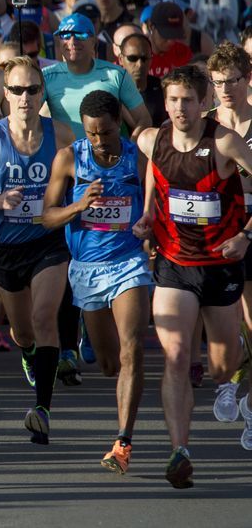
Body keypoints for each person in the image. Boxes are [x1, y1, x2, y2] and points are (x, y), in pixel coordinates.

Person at [133, 65, 252, 488]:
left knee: (223, 367)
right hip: (174, 264)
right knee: (177, 357)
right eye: (173, 100)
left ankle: (235, 348)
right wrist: (148, 211)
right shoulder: (152, 138)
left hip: (221, 264)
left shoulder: (224, 142)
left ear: (205, 103)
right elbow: (153, 169)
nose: (180, 108)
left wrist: (245, 235)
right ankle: (179, 449)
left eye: (188, 100)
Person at [42, 90, 153, 474]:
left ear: (117, 126)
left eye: (105, 133)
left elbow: (155, 202)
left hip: (128, 263)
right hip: (86, 268)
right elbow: (47, 216)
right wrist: (77, 205)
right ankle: (93, 337)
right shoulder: (70, 158)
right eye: (92, 134)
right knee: (108, 365)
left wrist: (147, 226)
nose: (99, 141)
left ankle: (123, 441)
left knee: (132, 350)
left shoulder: (136, 157)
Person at [0, 56, 75, 445]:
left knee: (45, 316)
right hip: (8, 248)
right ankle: (29, 352)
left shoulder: (61, 134)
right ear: (5, 93)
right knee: (24, 331)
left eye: (33, 89)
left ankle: (42, 409)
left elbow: (83, 178)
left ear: (42, 93)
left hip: (49, 242)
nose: (25, 97)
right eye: (17, 89)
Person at [202, 43, 252, 432]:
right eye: (218, 82)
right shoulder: (203, 124)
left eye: (232, 81)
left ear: (247, 79)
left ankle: (246, 395)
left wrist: (248, 233)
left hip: (249, 228)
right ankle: (229, 380)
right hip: (212, 231)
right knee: (224, 319)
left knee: (250, 320)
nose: (225, 89)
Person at [43, 13, 151, 139]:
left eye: (80, 35)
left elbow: (144, 119)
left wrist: (130, 148)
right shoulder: (46, 76)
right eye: (65, 35)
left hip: (109, 155)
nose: (72, 41)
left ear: (93, 40)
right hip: (66, 157)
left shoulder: (116, 74)